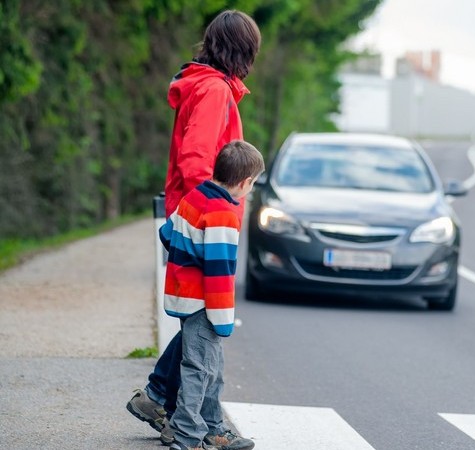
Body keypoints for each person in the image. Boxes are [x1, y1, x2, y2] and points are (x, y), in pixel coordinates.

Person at [126, 8, 261, 448]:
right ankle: (193, 425)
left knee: (198, 323)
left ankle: (158, 397)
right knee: (203, 324)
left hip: (193, 214)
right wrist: (216, 211)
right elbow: (196, 161)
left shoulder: (205, 85)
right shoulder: (214, 91)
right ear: (243, 51)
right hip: (204, 220)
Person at [161, 140, 264, 450]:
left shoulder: (195, 197)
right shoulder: (223, 214)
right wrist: (223, 320)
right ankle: (187, 435)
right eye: (254, 183)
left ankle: (212, 428)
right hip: (204, 303)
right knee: (198, 370)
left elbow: (167, 233)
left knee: (210, 367)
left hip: (183, 294)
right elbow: (218, 274)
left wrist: (188, 253)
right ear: (245, 182)